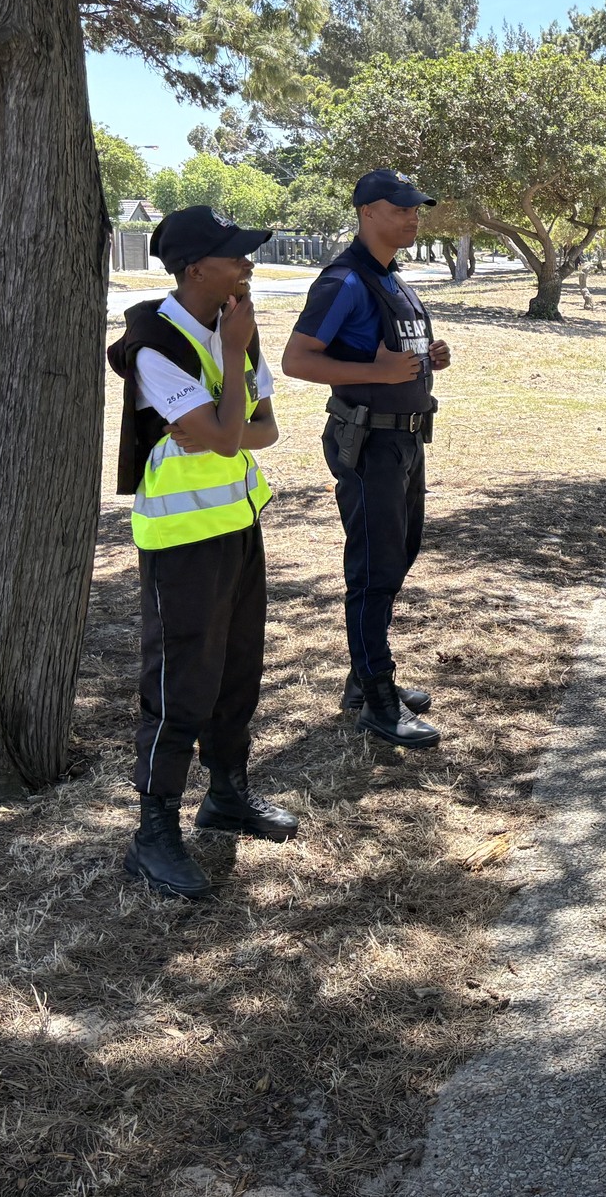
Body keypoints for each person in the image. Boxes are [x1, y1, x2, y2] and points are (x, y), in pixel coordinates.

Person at [105, 206, 296, 900]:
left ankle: (227, 796)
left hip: (239, 524)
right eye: (234, 256)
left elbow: (259, 433)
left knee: (237, 671)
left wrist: (224, 423)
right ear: (194, 270)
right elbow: (221, 432)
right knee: (179, 683)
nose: (247, 265)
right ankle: (153, 832)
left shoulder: (237, 326)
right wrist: (225, 412)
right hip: (181, 539)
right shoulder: (156, 341)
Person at [282, 169, 452, 749]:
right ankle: (377, 700)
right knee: (373, 568)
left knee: (399, 555)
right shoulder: (344, 280)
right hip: (369, 443)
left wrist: (428, 358)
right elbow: (298, 360)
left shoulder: (393, 279)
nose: (413, 218)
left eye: (415, 209)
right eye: (403, 209)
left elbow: (394, 352)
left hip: (405, 440)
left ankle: (365, 676)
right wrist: (377, 373)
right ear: (369, 213)